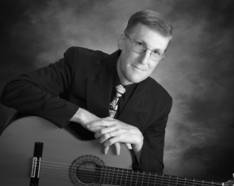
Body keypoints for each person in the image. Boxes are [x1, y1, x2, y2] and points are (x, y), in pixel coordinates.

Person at [0, 9, 173, 174]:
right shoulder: (80, 62)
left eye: (156, 52)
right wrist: (83, 116)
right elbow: (15, 90)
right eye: (140, 45)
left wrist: (140, 144)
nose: (145, 60)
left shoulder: (161, 102)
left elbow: (154, 176)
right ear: (122, 41)